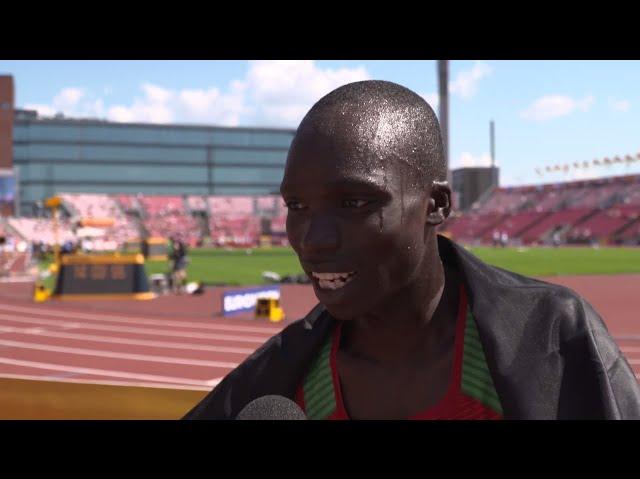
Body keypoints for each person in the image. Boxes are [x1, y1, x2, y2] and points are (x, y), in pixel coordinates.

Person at [184, 80, 640, 420]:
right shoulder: (278, 378)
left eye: (355, 202)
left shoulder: (554, 337)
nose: (313, 238)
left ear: (436, 205)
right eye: (297, 205)